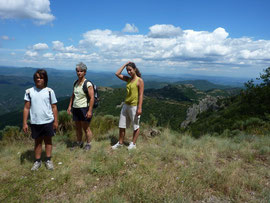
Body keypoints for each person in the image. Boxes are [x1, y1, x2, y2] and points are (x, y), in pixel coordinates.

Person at [23, 69, 58, 171]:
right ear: (34, 79)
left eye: (41, 78)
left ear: (45, 79)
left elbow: (54, 107)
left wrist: (56, 121)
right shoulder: (29, 92)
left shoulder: (50, 91)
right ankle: (37, 161)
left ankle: (48, 160)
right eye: (37, 78)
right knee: (37, 142)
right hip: (35, 122)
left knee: (48, 141)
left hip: (48, 121)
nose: (39, 80)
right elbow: (26, 108)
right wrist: (24, 123)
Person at [112, 62, 144, 150]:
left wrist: (140, 108)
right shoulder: (128, 79)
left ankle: (133, 144)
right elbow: (117, 73)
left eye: (130, 70)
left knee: (135, 126)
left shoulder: (139, 80)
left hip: (134, 106)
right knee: (121, 125)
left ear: (135, 69)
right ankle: (120, 143)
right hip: (126, 105)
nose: (129, 72)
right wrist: (125, 64)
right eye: (127, 70)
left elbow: (141, 95)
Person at [67, 62, 94, 151]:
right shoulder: (75, 82)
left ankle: (88, 144)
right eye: (77, 71)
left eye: (81, 71)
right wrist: (70, 106)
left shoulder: (88, 84)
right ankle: (79, 143)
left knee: (86, 128)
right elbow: (73, 95)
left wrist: (89, 111)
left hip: (84, 108)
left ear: (85, 72)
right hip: (76, 108)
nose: (79, 73)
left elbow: (92, 98)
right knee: (78, 127)